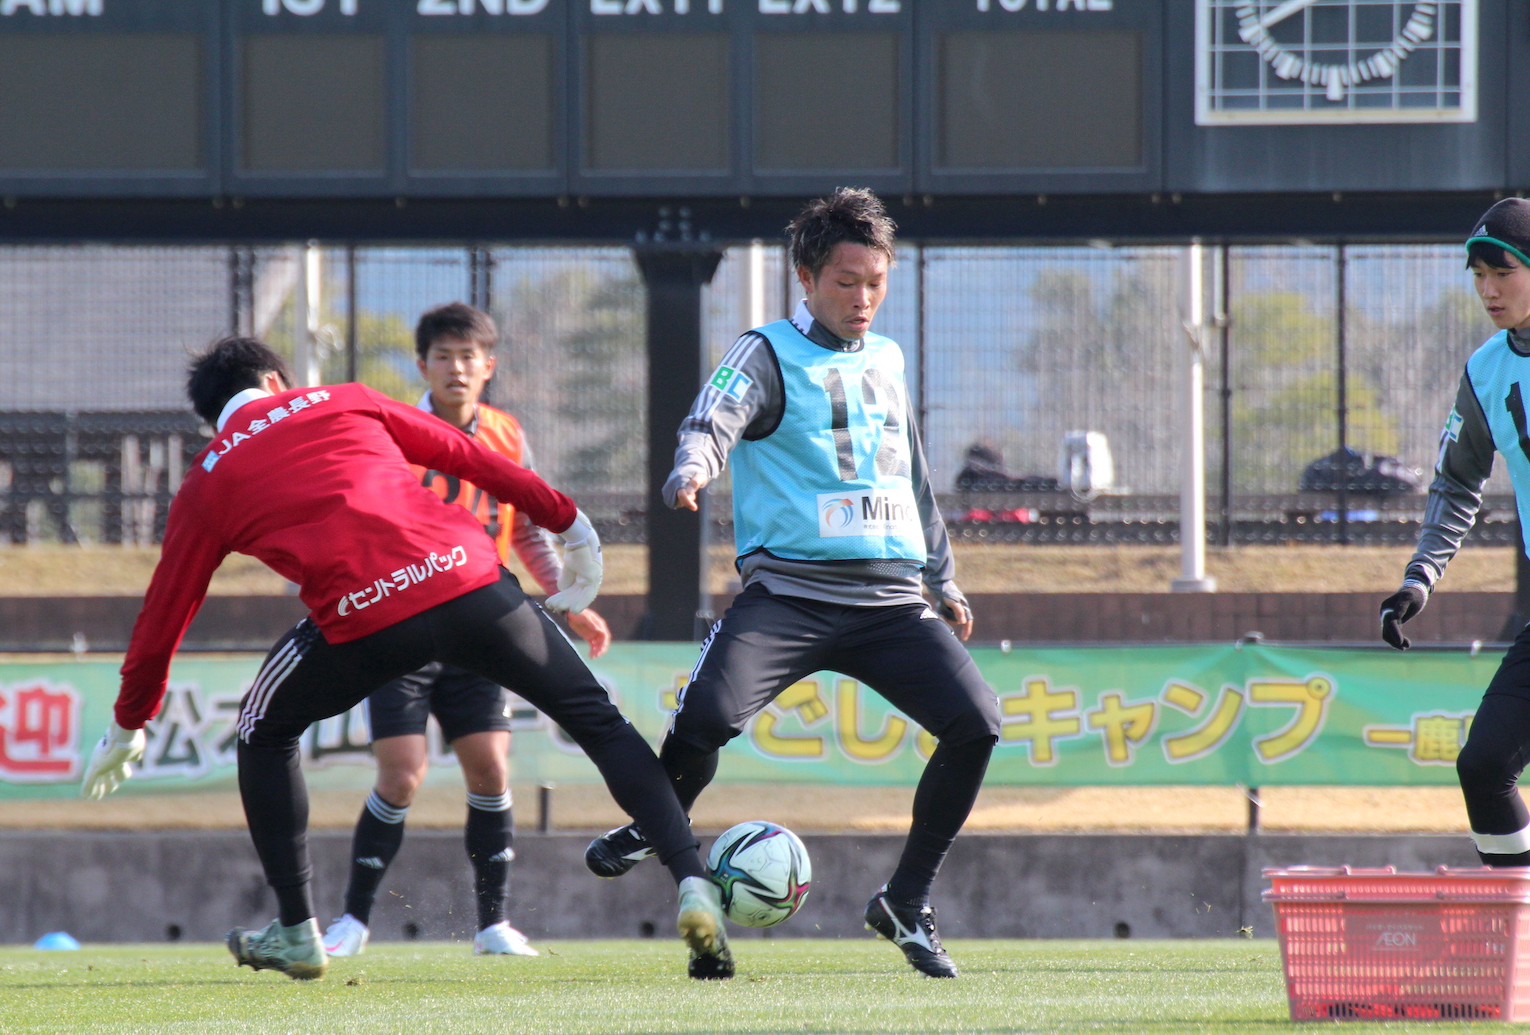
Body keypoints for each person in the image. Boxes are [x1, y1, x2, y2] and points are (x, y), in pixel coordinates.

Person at [80, 337, 733, 981]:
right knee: (600, 722)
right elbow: (467, 456)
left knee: (263, 727)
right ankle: (690, 877)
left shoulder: (209, 479)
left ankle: (298, 927)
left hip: (368, 621)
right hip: (470, 584)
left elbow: (166, 610)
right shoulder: (342, 399)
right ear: (277, 381)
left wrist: (131, 720)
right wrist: (567, 519)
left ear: (210, 419)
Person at [583, 189, 1001, 978]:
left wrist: (944, 579)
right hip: (791, 597)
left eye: (875, 281)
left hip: (890, 603)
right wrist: (692, 467)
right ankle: (656, 823)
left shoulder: (888, 357)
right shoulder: (765, 351)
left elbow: (910, 474)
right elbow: (714, 417)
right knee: (704, 714)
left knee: (979, 722)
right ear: (804, 277)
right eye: (847, 281)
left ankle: (905, 902)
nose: (863, 298)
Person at [321, 303, 613, 960]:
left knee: (490, 766)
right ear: (421, 364)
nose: (458, 367)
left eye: (469, 356)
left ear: (489, 366)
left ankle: (492, 924)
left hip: (479, 624)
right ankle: (352, 921)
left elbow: (531, 527)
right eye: (444, 356)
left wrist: (568, 599)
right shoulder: (391, 431)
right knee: (401, 775)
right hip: (403, 624)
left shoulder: (506, 434)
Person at [1381, 197, 1530, 867]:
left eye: (1504, 272)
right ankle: (1522, 936)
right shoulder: (1486, 368)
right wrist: (1420, 577)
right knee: (1484, 763)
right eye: (1477, 276)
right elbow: (1455, 481)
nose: (1489, 290)